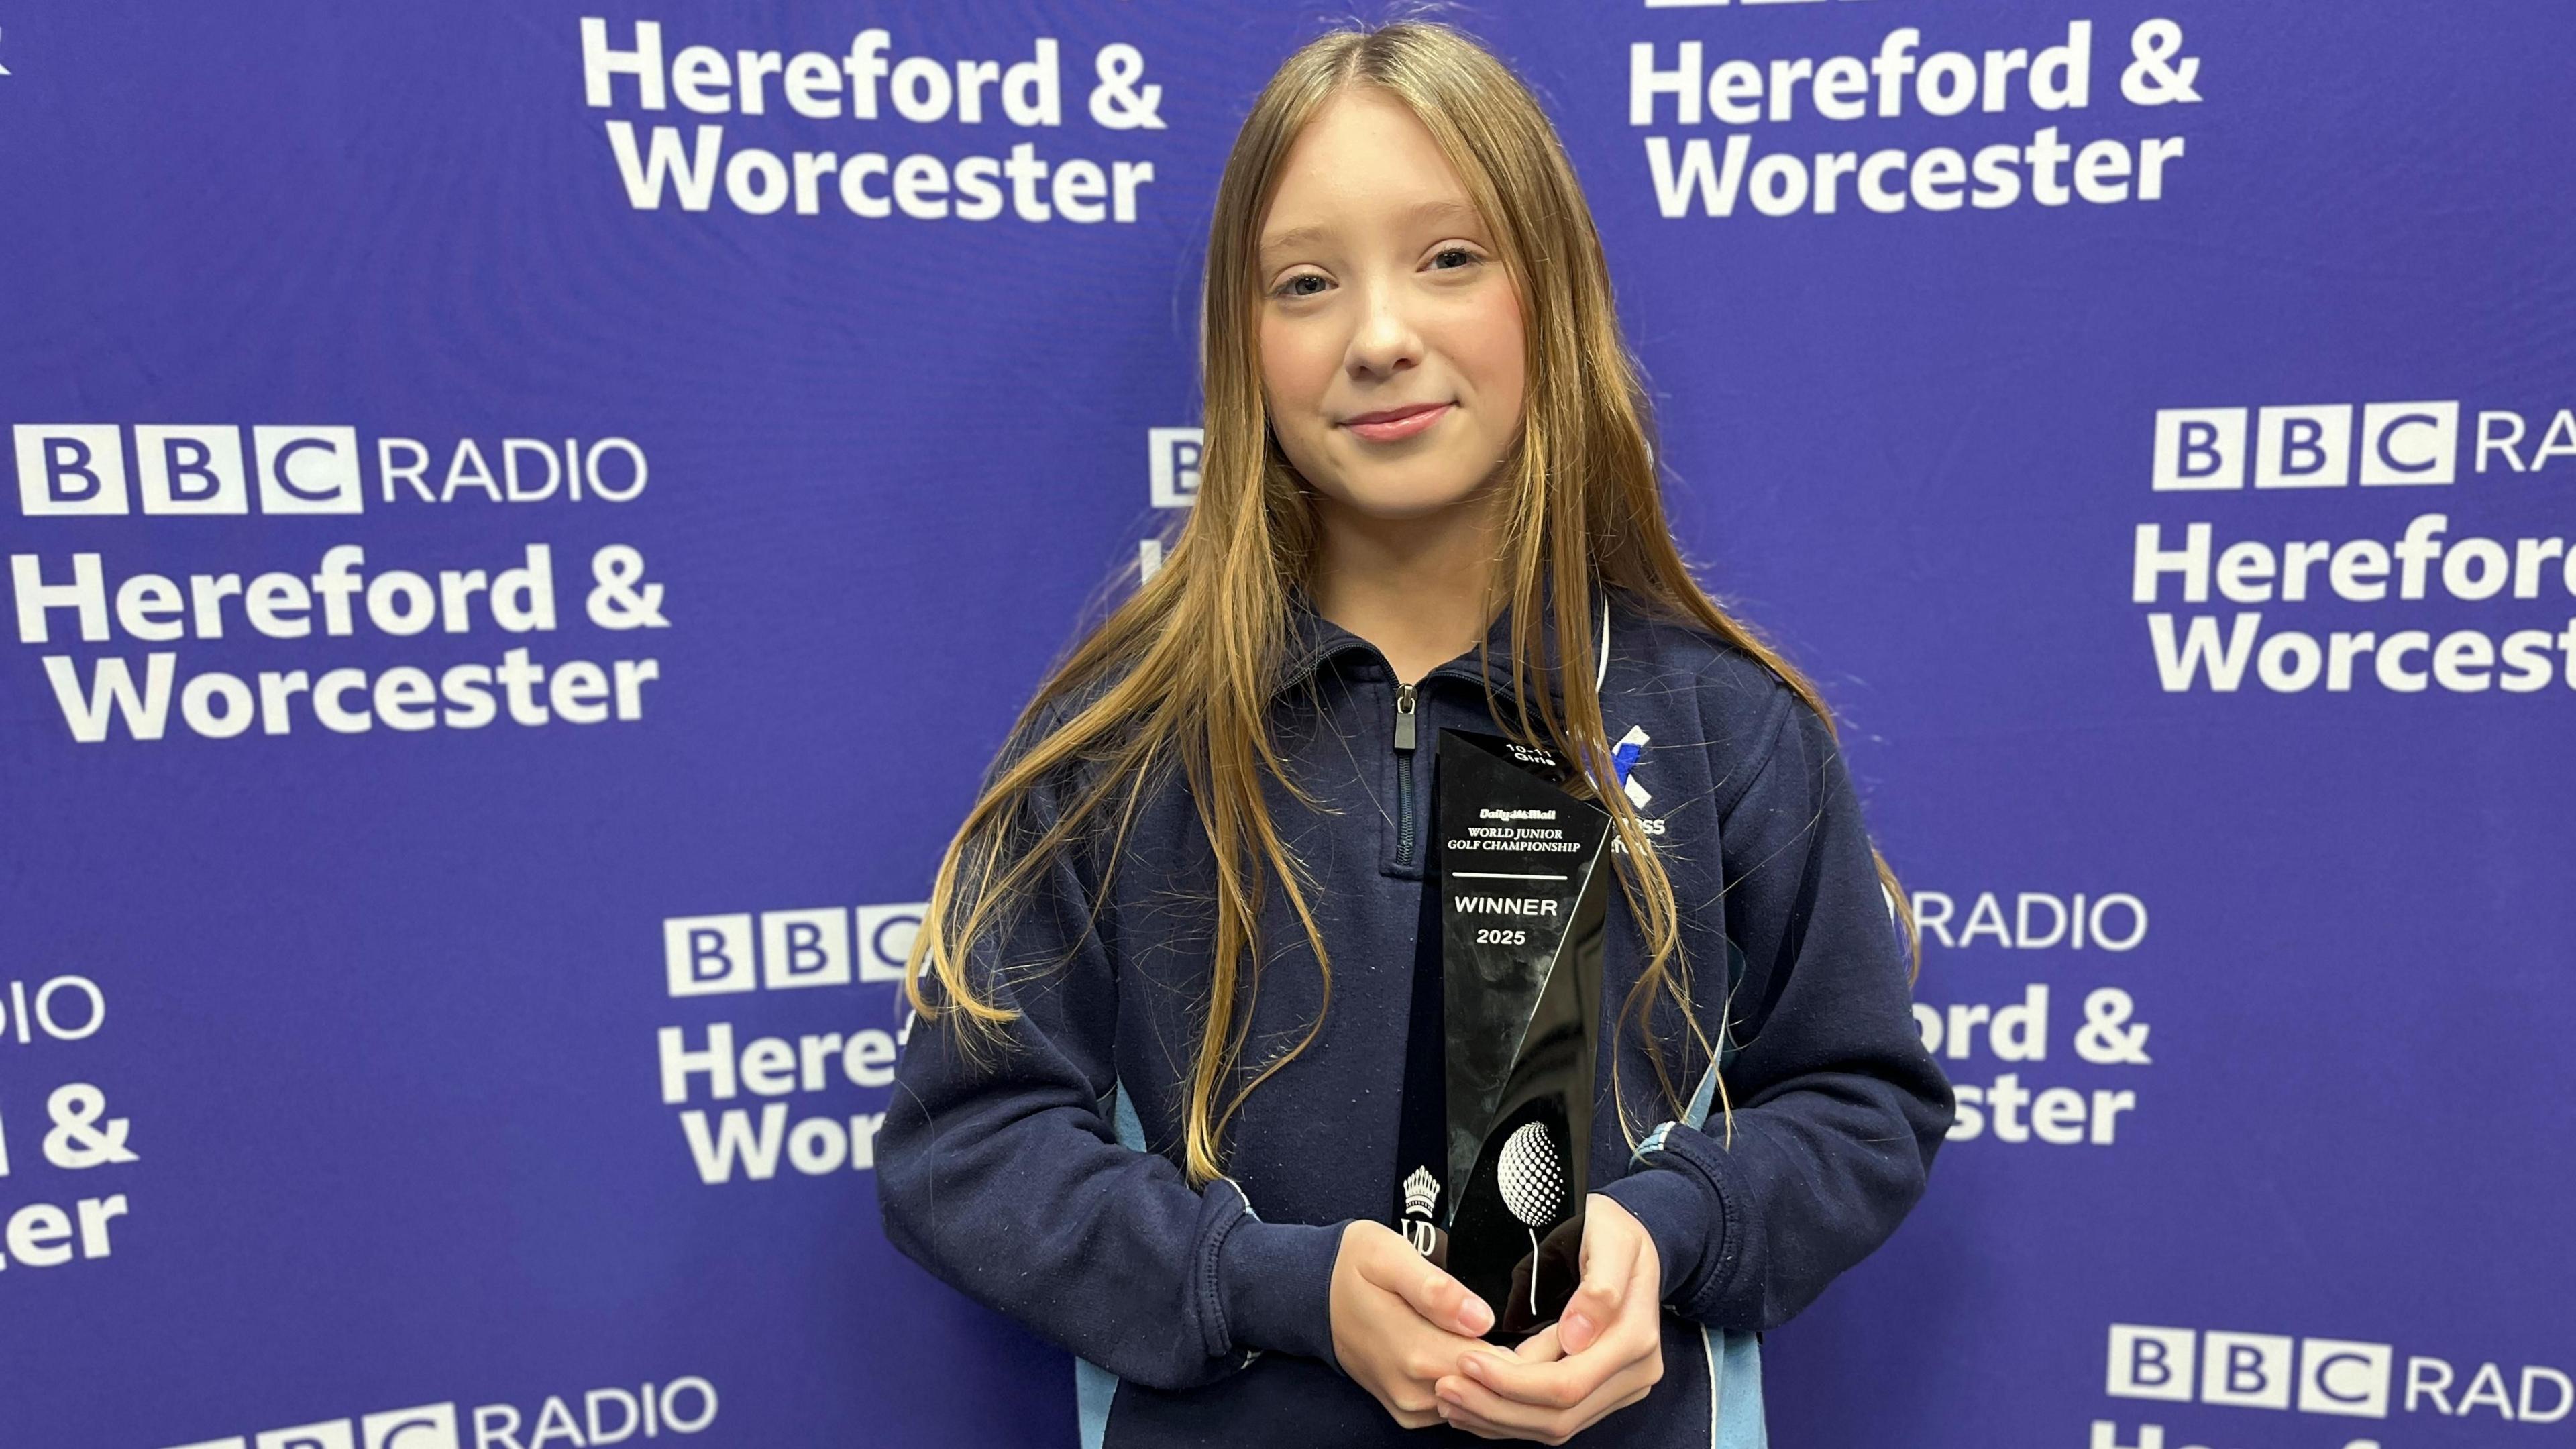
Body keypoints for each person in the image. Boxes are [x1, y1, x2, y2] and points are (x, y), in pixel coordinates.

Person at [875, 19, 1953, 1448]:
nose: (1381, 336)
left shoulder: (1721, 726)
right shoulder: (1113, 744)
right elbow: (968, 1142)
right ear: (1242, 344)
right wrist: (1270, 1286)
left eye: (1449, 259)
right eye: (1307, 283)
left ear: (1550, 294)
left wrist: (1667, 1230)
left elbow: (1858, 1099)